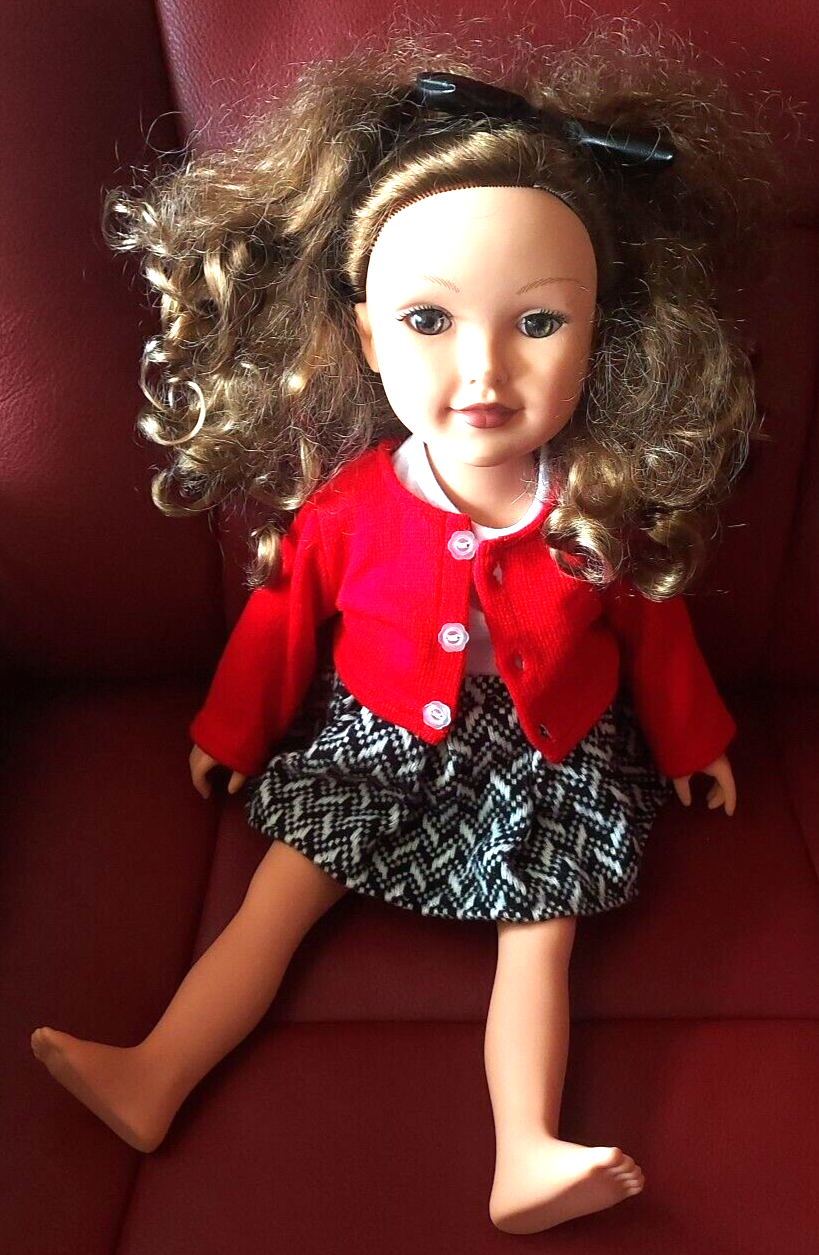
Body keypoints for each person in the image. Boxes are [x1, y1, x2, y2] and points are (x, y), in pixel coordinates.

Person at [31, 30, 781, 1234]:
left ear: (600, 330)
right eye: (430, 320)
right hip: (374, 734)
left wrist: (695, 742)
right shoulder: (350, 508)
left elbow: (657, 634)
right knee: (276, 899)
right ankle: (155, 1072)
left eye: (538, 324)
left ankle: (526, 1149)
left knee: (539, 941)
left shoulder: (593, 508)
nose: (483, 371)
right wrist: (234, 727)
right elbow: (281, 619)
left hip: (548, 755)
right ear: (372, 338)